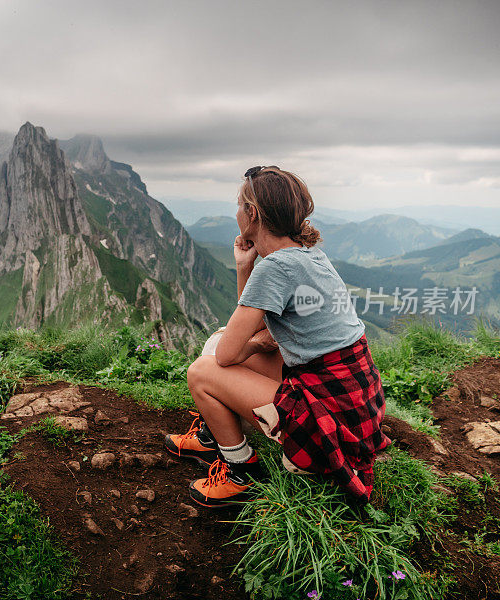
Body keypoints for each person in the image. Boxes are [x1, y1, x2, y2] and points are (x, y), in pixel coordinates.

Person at [164, 166, 390, 508]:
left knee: (202, 370)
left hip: (326, 416)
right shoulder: (307, 254)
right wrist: (244, 268)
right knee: (217, 341)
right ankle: (214, 436)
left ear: (252, 214)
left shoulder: (275, 267)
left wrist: (253, 345)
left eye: (240, 205)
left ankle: (240, 470)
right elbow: (251, 331)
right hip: (353, 405)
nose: (237, 212)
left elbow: (228, 356)